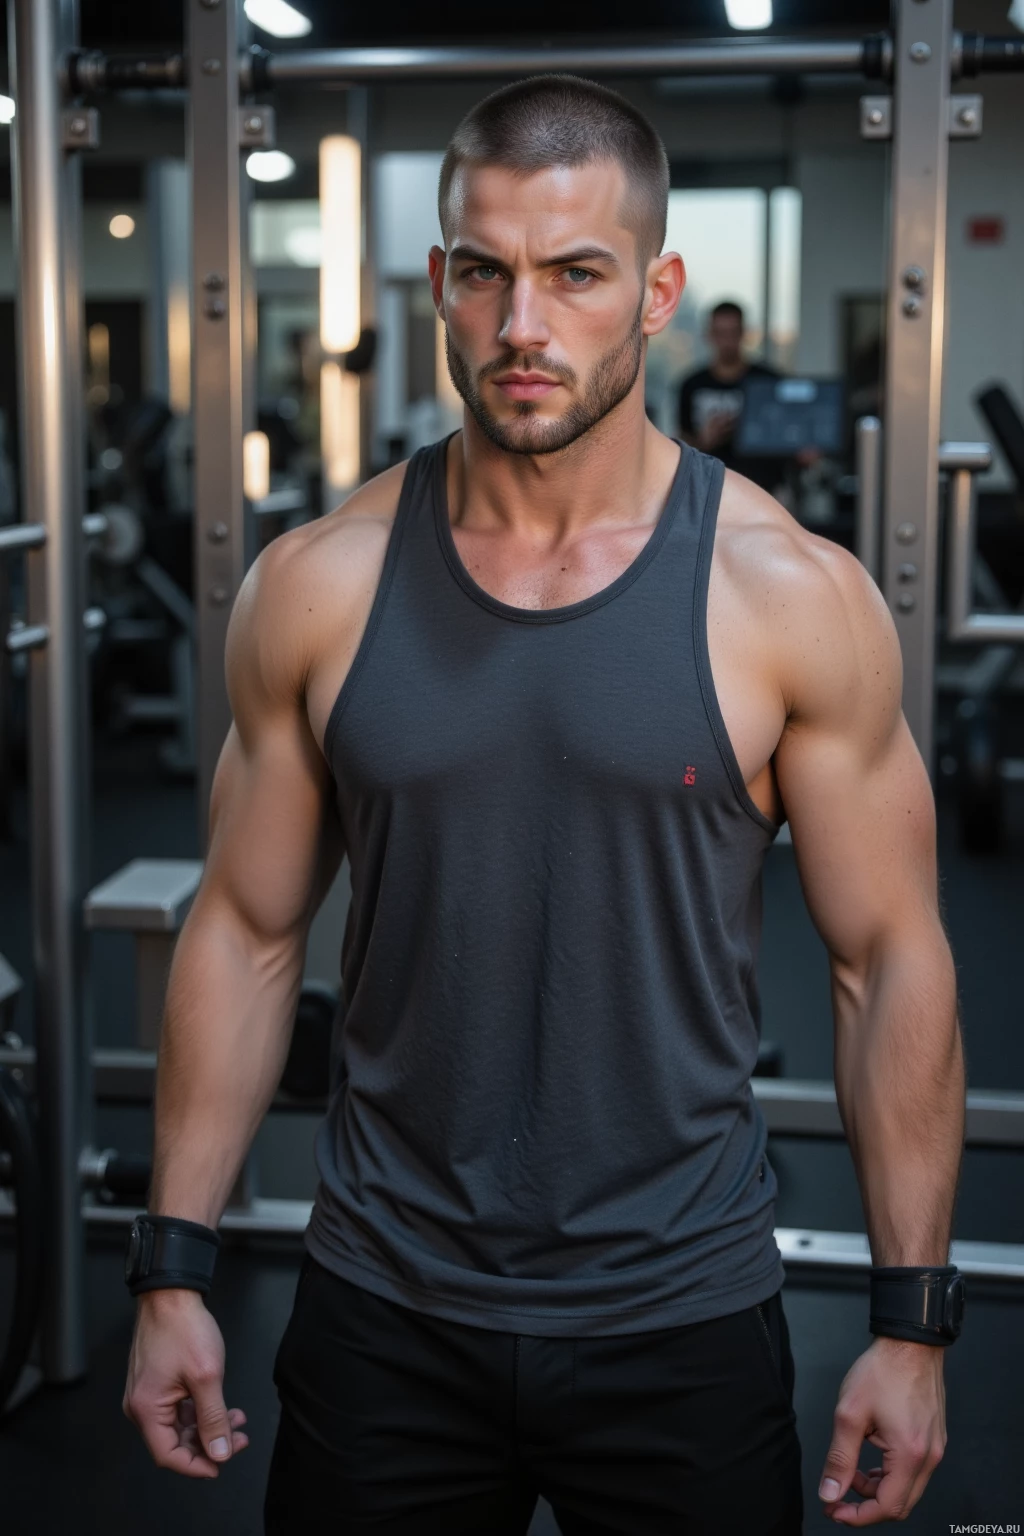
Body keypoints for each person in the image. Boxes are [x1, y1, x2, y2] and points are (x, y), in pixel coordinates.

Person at [123, 75, 966, 1535]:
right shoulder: (319, 585)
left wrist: (911, 1317)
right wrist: (172, 1266)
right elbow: (249, 933)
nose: (526, 327)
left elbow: (888, 957)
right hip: (385, 1303)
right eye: (488, 275)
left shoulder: (788, 596)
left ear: (655, 289)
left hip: (683, 1311)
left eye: (576, 274)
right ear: (441, 284)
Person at [678, 300, 786, 492]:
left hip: (765, 487)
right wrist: (704, 441)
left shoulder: (768, 381)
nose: (727, 341)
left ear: (743, 334)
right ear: (709, 335)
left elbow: (788, 433)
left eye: (732, 333)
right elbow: (680, 444)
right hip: (707, 488)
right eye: (720, 333)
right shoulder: (691, 384)